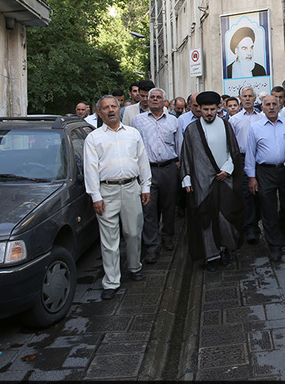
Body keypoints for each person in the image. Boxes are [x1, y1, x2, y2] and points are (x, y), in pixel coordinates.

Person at [84, 95, 151, 300]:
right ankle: (111, 281)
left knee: (133, 232)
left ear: (120, 108)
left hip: (131, 188)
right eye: (106, 108)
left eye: (114, 106)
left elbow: (142, 160)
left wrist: (146, 186)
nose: (111, 110)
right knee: (109, 240)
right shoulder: (93, 138)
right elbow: (90, 169)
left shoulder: (133, 134)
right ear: (99, 112)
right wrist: (95, 196)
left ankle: (134, 266)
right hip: (107, 192)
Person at [180, 91, 245, 271]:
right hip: (201, 182)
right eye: (205, 109)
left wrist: (227, 169)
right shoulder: (192, 129)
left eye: (212, 109)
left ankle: (225, 249)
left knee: (225, 217)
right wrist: (187, 180)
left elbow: (233, 150)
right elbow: (186, 155)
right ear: (198, 109)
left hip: (225, 179)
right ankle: (211, 255)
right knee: (205, 218)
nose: (209, 113)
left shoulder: (226, 125)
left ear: (218, 108)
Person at [246, 95, 285, 262]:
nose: (271, 107)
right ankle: (274, 244)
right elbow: (250, 154)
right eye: (267, 105)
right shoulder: (255, 128)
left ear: (279, 106)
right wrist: (251, 177)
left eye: (274, 104)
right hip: (265, 172)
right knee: (268, 209)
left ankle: (282, 231)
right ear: (262, 108)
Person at [131, 87, 181, 264]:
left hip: (168, 168)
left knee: (169, 205)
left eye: (158, 97)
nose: (154, 99)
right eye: (152, 97)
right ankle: (152, 245)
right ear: (147, 100)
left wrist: (179, 164)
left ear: (164, 101)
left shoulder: (173, 121)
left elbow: (179, 145)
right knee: (149, 208)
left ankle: (167, 236)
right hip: (147, 170)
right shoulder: (137, 121)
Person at [229, 86, 264, 243]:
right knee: (247, 193)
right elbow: (230, 144)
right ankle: (250, 227)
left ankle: (259, 221)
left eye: (250, 96)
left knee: (262, 192)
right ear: (240, 98)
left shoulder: (262, 117)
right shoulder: (234, 120)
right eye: (245, 96)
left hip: (260, 159)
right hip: (242, 159)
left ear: (255, 98)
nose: (248, 98)